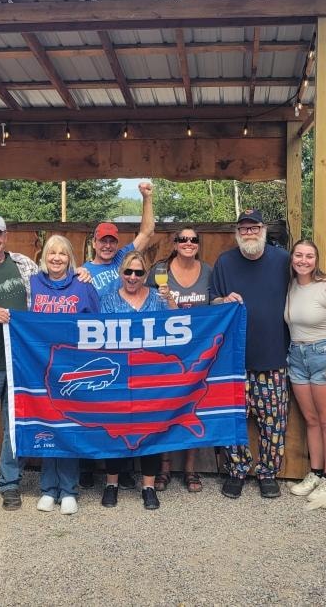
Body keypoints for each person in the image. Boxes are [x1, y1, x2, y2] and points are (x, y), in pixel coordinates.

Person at [0, 215, 90, 514]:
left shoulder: (25, 266)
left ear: (5, 236)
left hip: (23, 365)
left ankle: (10, 483)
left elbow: (56, 282)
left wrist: (82, 275)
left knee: (16, 426)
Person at [209, 208, 326, 500]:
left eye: (254, 227)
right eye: (244, 229)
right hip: (234, 360)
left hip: (274, 358)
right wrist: (223, 300)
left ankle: (268, 472)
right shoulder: (224, 262)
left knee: (274, 421)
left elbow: (313, 277)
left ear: (263, 229)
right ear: (237, 232)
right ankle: (237, 471)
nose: (249, 233)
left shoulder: (283, 260)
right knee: (233, 420)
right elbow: (212, 300)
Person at [79, 180, 155, 489]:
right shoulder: (82, 270)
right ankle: (86, 468)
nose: (108, 246)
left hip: (132, 349)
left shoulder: (127, 259)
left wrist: (146, 198)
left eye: (112, 240)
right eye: (103, 241)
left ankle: (123, 471)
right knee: (97, 411)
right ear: (94, 243)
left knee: (128, 411)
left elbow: (148, 232)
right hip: (100, 349)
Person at [27, 234, 100, 515]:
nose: (56, 257)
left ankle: (69, 489)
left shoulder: (82, 285)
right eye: (51, 252)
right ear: (44, 256)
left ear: (71, 258)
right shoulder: (32, 284)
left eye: (63, 253)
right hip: (38, 367)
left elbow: (97, 324)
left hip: (73, 368)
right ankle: (48, 488)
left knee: (69, 426)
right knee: (46, 426)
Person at [98, 251, 176, 510]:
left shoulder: (157, 298)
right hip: (119, 377)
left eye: (139, 272)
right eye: (128, 272)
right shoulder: (108, 300)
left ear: (146, 275)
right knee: (116, 430)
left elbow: (182, 327)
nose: (133, 277)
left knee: (150, 430)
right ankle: (112, 483)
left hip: (151, 378)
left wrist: (172, 301)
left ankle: (149, 486)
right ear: (121, 273)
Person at [146, 227, 213, 493]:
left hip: (198, 349)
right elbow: (147, 305)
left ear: (198, 244)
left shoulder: (208, 271)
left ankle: (190, 468)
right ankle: (163, 468)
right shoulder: (159, 271)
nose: (188, 243)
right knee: (165, 407)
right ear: (175, 243)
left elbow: (216, 303)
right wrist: (166, 303)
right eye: (182, 239)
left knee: (192, 408)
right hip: (166, 351)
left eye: (193, 239)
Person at [284, 239, 326, 501]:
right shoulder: (288, 286)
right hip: (297, 356)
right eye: (298, 255)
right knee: (311, 420)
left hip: (325, 355)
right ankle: (316, 472)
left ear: (316, 260)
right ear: (292, 259)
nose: (303, 260)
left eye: (309, 256)